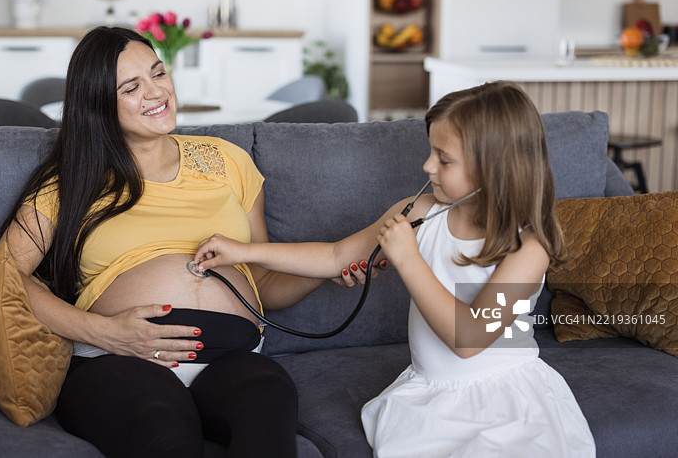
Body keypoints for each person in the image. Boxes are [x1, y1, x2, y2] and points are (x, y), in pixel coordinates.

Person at [0, 26, 351, 458]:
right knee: (166, 433)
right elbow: (3, 276)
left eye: (158, 73)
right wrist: (105, 332)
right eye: (131, 87)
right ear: (97, 106)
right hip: (119, 359)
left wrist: (327, 269)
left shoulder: (227, 161)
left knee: (269, 408)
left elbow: (264, 286)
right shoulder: (69, 182)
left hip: (231, 355)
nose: (156, 92)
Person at [194, 81, 596, 457]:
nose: (427, 166)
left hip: (507, 397)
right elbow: (335, 256)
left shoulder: (529, 246)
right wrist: (244, 252)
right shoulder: (421, 211)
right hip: (429, 392)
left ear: (494, 168)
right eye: (430, 152)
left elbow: (470, 338)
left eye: (444, 159)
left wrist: (408, 258)